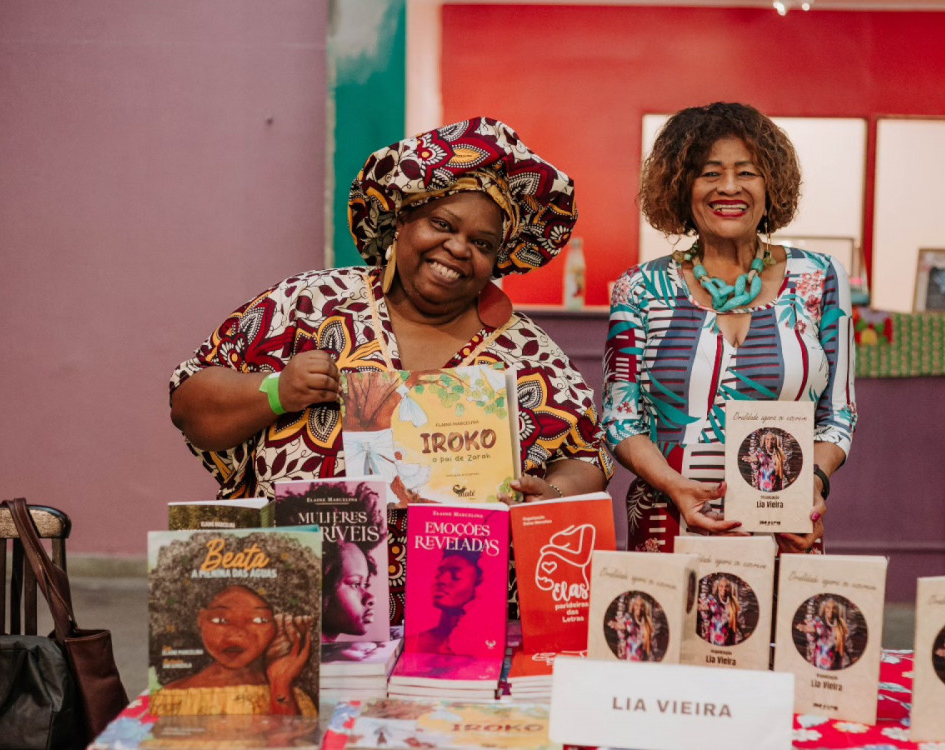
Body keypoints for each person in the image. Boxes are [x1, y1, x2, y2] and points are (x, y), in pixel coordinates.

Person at [169, 117, 613, 619]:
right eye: (442, 224)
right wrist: (276, 391)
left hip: (461, 624)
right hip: (294, 615)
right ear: (401, 220)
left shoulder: (527, 354)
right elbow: (189, 404)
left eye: (483, 243)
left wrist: (552, 496)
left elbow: (587, 454)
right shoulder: (308, 305)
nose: (459, 248)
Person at [603, 101, 856, 553]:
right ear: (682, 187)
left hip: (786, 532)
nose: (729, 187)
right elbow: (621, 419)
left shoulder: (820, 277)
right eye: (710, 173)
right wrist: (674, 485)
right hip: (669, 526)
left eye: (747, 172)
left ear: (771, 183)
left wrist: (813, 485)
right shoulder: (639, 288)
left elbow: (838, 414)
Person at [152, 585, 316, 716]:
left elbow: (287, 741)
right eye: (220, 619)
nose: (237, 632)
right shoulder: (169, 698)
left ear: (278, 627)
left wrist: (280, 683)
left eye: (259, 619)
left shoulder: (295, 699)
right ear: (200, 619)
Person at [405, 546, 483, 655]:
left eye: (456, 576)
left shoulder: (485, 644)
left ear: (479, 582)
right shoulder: (414, 643)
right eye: (440, 573)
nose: (442, 580)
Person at [795, 596, 852, 670]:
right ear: (824, 608)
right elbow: (811, 638)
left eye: (834, 608)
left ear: (838, 610)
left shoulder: (841, 624)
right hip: (820, 657)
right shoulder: (817, 620)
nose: (831, 610)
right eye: (828, 607)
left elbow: (846, 643)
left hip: (836, 660)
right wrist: (813, 631)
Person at [607, 594, 656, 661]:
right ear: (633, 606)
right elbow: (622, 635)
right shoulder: (628, 617)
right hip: (628, 655)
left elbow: (650, 642)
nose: (639, 608)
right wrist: (622, 628)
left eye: (641, 606)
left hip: (641, 658)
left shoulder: (647, 622)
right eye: (636, 605)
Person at [698, 576, 742, 646]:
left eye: (726, 586)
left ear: (730, 588)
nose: (724, 589)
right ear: (717, 587)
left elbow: (737, 619)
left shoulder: (733, 601)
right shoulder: (711, 599)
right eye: (721, 586)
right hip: (715, 637)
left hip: (729, 637)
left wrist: (741, 633)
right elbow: (705, 617)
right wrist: (705, 610)